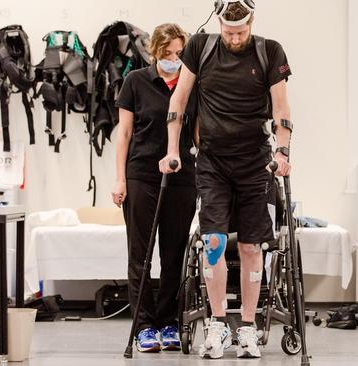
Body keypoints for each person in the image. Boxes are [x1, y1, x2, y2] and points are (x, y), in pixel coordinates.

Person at [159, 0, 292, 359]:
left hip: (255, 162)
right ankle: (216, 324)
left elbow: (280, 108)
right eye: (228, 31)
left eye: (241, 31)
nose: (234, 38)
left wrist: (283, 152)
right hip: (213, 161)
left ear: (252, 22)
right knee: (213, 242)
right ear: (218, 21)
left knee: (251, 247)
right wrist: (172, 149)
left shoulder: (269, 51)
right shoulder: (200, 48)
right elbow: (180, 99)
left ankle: (247, 327)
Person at [112, 24, 197, 353]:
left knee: (174, 253)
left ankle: (168, 322)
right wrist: (119, 179)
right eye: (167, 54)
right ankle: (145, 326)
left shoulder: (192, 84)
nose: (174, 59)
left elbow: (200, 132)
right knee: (141, 255)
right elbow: (123, 135)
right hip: (141, 176)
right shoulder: (135, 81)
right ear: (155, 53)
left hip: (182, 178)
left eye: (179, 54)